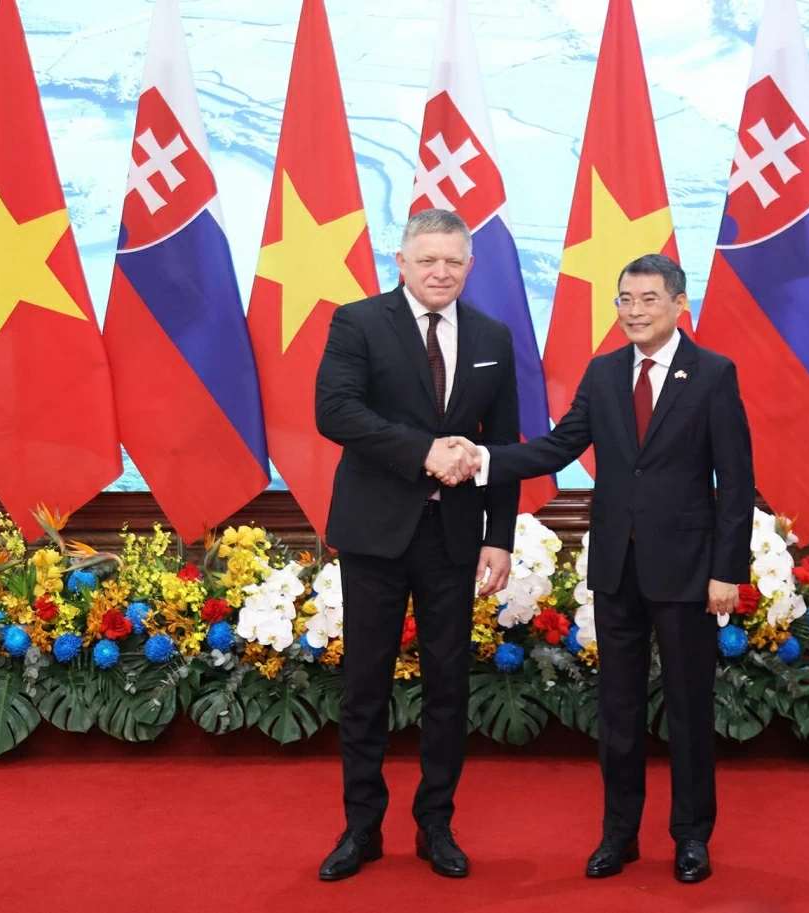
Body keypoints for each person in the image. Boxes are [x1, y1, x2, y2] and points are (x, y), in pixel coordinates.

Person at [442, 253, 754, 884]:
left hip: (689, 568)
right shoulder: (604, 372)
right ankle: (620, 835)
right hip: (615, 566)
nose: (633, 312)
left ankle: (691, 837)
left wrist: (729, 571)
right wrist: (485, 459)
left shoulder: (713, 374)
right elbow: (560, 446)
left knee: (690, 708)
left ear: (678, 305)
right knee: (617, 708)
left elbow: (737, 481)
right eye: (624, 300)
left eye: (646, 300)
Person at [314, 208, 520, 881]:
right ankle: (361, 827)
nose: (440, 271)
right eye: (426, 259)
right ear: (399, 262)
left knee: (448, 685)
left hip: (454, 537)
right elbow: (336, 411)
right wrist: (423, 451)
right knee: (366, 682)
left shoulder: (492, 334)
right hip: (375, 532)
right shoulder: (358, 322)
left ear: (469, 266)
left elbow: (507, 445)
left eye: (452, 261)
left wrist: (499, 536)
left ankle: (436, 824)